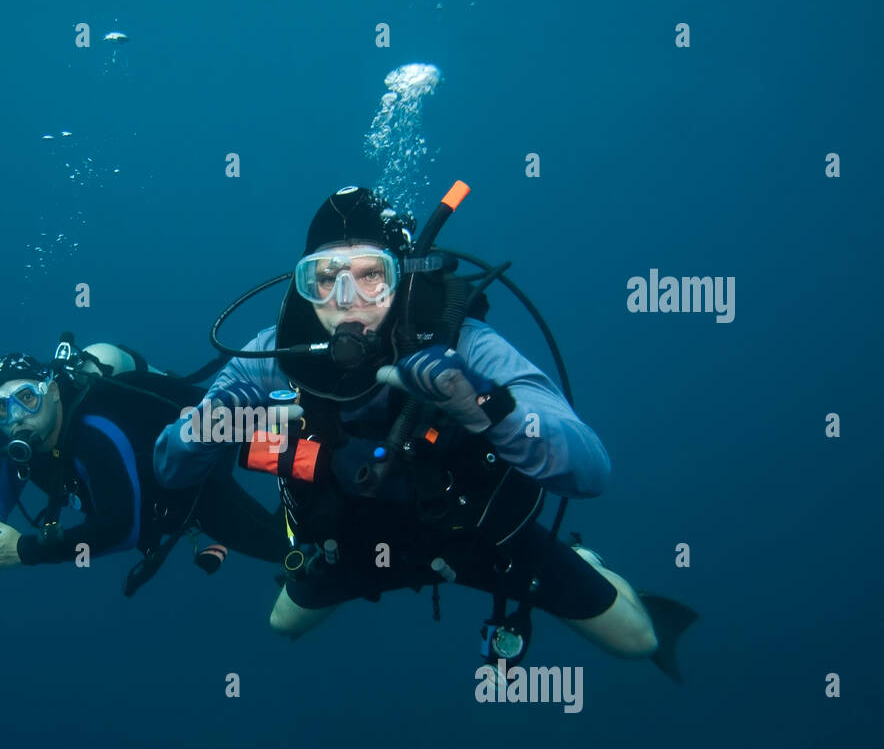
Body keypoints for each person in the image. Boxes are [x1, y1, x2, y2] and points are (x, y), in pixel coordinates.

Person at [153, 185, 697, 680]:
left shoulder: (468, 347)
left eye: (372, 275)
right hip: (354, 543)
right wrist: (200, 429)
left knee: (638, 641)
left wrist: (488, 409)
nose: (347, 299)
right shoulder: (270, 359)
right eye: (325, 277)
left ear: (403, 275)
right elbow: (169, 467)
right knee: (282, 623)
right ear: (305, 283)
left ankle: (587, 561)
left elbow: (591, 467)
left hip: (476, 536)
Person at [0, 337, 288, 594]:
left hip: (192, 480)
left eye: (26, 398)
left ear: (52, 391)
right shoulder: (14, 442)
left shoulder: (94, 433)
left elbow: (124, 529)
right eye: (0, 409)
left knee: (282, 546)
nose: (16, 418)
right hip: (162, 491)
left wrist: (24, 550)